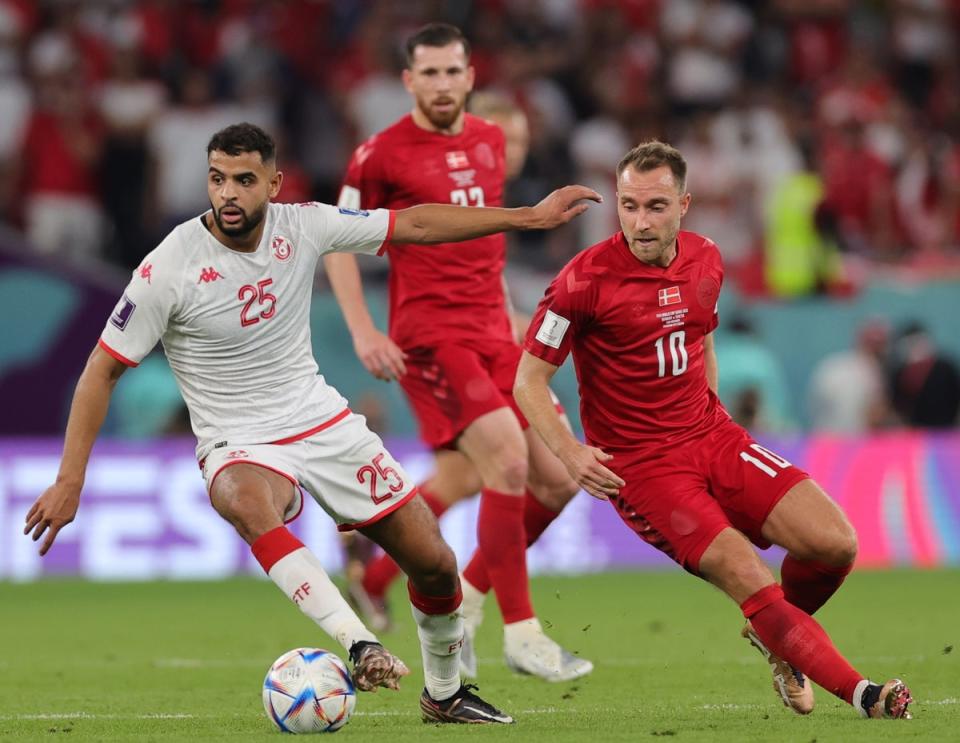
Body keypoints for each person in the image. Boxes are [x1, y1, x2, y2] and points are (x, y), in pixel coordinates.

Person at [22, 122, 599, 725]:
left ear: (273, 183)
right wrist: (70, 480)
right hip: (237, 439)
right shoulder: (170, 265)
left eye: (245, 180)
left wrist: (526, 218)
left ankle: (445, 693)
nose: (229, 194)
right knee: (244, 500)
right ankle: (359, 642)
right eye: (218, 179)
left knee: (434, 564)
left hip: (322, 423)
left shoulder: (304, 225)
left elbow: (417, 224)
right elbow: (100, 371)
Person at [514, 140, 913, 720]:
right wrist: (570, 454)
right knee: (750, 575)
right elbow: (528, 380)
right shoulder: (581, 282)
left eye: (655, 206)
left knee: (835, 544)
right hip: (645, 468)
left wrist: (714, 412)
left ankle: (774, 638)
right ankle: (866, 695)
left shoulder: (706, 258)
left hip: (713, 436)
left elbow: (701, 336)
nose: (640, 222)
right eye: (628, 206)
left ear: (684, 205)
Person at [325, 23, 592, 682]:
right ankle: (522, 632)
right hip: (430, 336)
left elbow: (483, 245)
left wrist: (511, 319)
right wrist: (364, 330)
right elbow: (336, 240)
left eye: (453, 72)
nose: (443, 85)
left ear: (471, 77)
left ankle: (460, 598)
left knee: (557, 478)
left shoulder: (490, 142)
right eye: (430, 73)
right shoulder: (378, 154)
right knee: (501, 461)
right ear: (408, 80)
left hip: (494, 336)